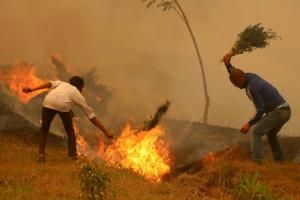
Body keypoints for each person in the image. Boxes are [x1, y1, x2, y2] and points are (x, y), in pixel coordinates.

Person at [23, 76, 114, 163]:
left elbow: (49, 84)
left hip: (48, 101)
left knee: (44, 129)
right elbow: (91, 116)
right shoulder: (78, 94)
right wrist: (106, 132)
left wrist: (32, 89)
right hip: (63, 105)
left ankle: (41, 156)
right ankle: (73, 157)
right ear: (81, 87)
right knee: (70, 131)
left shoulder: (61, 83)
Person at [222, 52, 291, 163]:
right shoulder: (249, 76)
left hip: (279, 112)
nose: (236, 87)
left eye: (235, 84)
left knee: (255, 131)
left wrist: (249, 124)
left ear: (240, 80)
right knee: (271, 134)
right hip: (285, 110)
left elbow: (260, 110)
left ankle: (257, 162)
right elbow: (235, 73)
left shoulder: (252, 87)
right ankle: (280, 161)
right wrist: (228, 65)